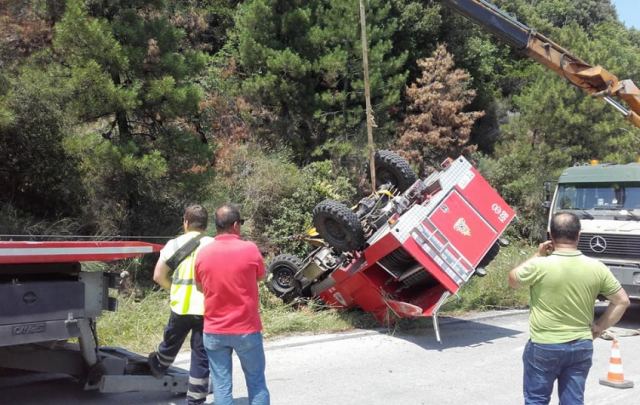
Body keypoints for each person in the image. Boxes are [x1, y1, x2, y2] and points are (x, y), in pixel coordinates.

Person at [508, 212, 630, 405]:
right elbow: (622, 300)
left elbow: (513, 280)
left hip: (544, 344)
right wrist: (599, 327)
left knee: (536, 400)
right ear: (578, 235)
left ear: (551, 235)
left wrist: (537, 255)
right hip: (581, 344)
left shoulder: (540, 265)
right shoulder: (597, 267)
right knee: (573, 401)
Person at [195, 204, 270, 405]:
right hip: (246, 329)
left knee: (221, 386)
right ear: (236, 225)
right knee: (256, 382)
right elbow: (261, 277)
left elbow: (200, 287)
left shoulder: (203, 253)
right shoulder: (250, 249)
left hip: (214, 330)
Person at [148, 204, 213, 405]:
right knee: (201, 356)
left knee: (170, 342)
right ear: (205, 224)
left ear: (185, 222)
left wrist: (174, 289)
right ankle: (195, 400)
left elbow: (158, 276)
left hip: (181, 307)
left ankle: (159, 366)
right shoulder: (213, 245)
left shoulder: (174, 244)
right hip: (206, 308)